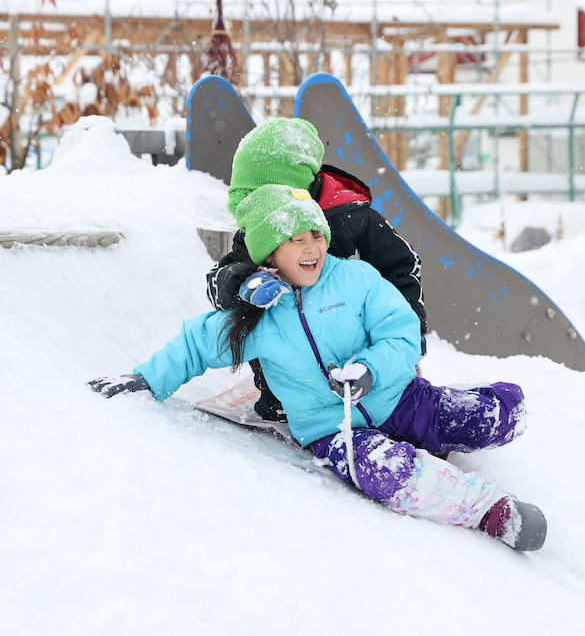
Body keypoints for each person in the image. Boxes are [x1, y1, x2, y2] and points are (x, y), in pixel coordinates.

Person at [89, 184, 546, 551]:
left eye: (316, 235)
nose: (312, 247)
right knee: (385, 472)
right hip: (336, 429)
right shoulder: (258, 315)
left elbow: (403, 332)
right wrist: (144, 380)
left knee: (503, 411)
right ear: (268, 253)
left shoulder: (357, 279)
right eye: (296, 239)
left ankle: (452, 413)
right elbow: (196, 345)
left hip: (399, 397)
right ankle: (489, 510)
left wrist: (370, 368)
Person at [206, 117, 425, 422]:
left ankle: (391, 399)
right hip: (292, 350)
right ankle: (279, 398)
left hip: (353, 340)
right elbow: (224, 274)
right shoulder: (264, 223)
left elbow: (400, 268)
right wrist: (239, 281)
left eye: (262, 195)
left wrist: (410, 335)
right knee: (260, 319)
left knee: (386, 366)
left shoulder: (353, 220)